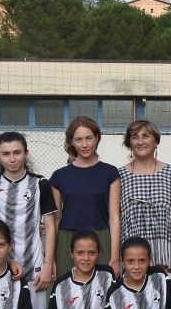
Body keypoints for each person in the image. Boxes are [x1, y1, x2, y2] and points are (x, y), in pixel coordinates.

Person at [0, 131, 57, 309]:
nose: (12, 158)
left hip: (33, 264)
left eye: (17, 152)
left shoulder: (40, 183)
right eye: (6, 153)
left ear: (26, 153)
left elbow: (51, 227)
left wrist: (47, 265)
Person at [50, 116, 121, 278]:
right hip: (67, 239)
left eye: (89, 138)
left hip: (101, 238)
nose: (84, 144)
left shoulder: (110, 173)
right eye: (78, 139)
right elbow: (55, 220)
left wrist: (115, 257)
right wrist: (51, 259)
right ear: (71, 142)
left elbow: (114, 217)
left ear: (97, 138)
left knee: (103, 293)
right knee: (68, 292)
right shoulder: (59, 176)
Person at [119, 119, 171, 286]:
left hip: (165, 254)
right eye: (135, 137)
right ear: (129, 143)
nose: (140, 141)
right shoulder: (119, 176)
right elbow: (115, 217)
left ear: (156, 141)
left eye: (146, 136)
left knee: (164, 308)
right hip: (133, 259)